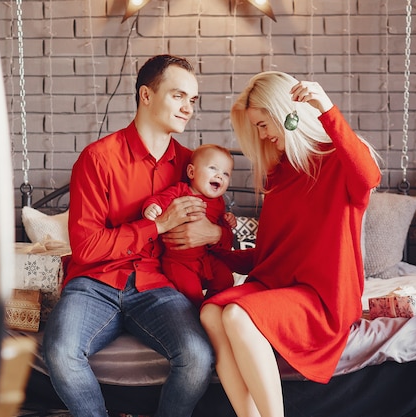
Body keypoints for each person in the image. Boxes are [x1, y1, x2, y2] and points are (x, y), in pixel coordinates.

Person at [43, 55, 228, 417]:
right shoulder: (98, 159)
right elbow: (86, 246)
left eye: (192, 100)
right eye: (178, 96)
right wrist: (155, 226)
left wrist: (216, 232)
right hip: (94, 283)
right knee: (60, 351)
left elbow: (218, 230)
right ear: (146, 94)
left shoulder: (196, 165)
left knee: (197, 356)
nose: (188, 108)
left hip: (158, 286)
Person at [200, 71, 381, 417]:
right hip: (282, 286)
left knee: (238, 316)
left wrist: (326, 107)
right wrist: (216, 250)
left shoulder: (338, 163)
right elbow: (273, 255)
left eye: (264, 124)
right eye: (257, 128)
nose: (263, 136)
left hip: (323, 298)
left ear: (288, 113)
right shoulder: (279, 173)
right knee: (211, 312)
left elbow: (369, 176)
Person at [142, 143, 236, 308]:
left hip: (205, 258)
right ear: (191, 172)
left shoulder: (219, 202)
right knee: (191, 292)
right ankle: (198, 311)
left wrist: (227, 222)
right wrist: (152, 208)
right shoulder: (181, 190)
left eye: (226, 173)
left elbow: (221, 232)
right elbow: (159, 200)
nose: (220, 176)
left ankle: (211, 305)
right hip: (179, 261)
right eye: (213, 168)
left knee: (225, 278)